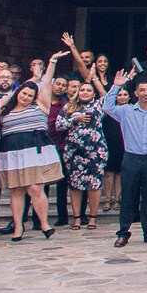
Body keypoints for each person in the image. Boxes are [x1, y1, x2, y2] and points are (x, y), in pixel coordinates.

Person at [102, 71, 147, 247]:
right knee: (128, 197)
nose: (146, 93)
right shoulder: (126, 111)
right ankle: (123, 233)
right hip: (131, 158)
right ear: (136, 93)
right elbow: (106, 107)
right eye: (142, 90)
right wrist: (116, 86)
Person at [0, 59, 62, 239]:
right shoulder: (5, 110)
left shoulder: (40, 107)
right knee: (16, 189)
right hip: (13, 151)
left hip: (34, 149)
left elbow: (47, 82)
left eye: (29, 95)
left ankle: (44, 223)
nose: (26, 97)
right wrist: (24, 86)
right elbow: (1, 104)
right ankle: (18, 226)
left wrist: (52, 63)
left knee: (35, 188)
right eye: (23, 93)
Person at [58, 78, 108, 231]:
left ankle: (92, 217)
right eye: (83, 90)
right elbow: (59, 125)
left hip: (95, 150)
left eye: (88, 90)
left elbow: (107, 95)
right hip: (74, 151)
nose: (85, 92)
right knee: (75, 184)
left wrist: (94, 78)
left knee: (94, 184)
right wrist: (75, 118)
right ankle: (77, 218)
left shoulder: (98, 105)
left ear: (93, 94)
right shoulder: (69, 107)